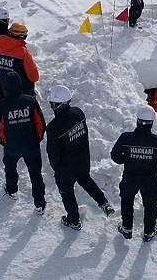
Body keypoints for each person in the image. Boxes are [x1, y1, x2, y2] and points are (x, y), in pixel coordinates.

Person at [46, 85, 114, 231]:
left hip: (66, 167)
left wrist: (57, 169)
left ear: (55, 105)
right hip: (82, 159)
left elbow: (53, 153)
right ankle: (103, 202)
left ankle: (74, 220)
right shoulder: (79, 113)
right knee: (86, 180)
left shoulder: (53, 127)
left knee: (67, 192)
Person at [111, 106, 157, 242]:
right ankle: (149, 232)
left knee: (127, 200)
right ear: (152, 122)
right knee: (150, 205)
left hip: (129, 176)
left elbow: (115, 157)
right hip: (149, 178)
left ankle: (126, 228)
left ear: (137, 120)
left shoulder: (126, 138)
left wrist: (125, 159)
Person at [0, 72, 46, 214]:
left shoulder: (2, 105)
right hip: (31, 145)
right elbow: (40, 123)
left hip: (12, 147)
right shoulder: (30, 100)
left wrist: (5, 142)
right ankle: (39, 203)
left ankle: (12, 190)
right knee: (36, 174)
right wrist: (37, 139)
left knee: (10, 169)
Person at [0, 22, 39, 96]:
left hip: (6, 88)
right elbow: (33, 76)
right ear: (21, 37)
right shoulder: (23, 52)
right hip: (24, 91)